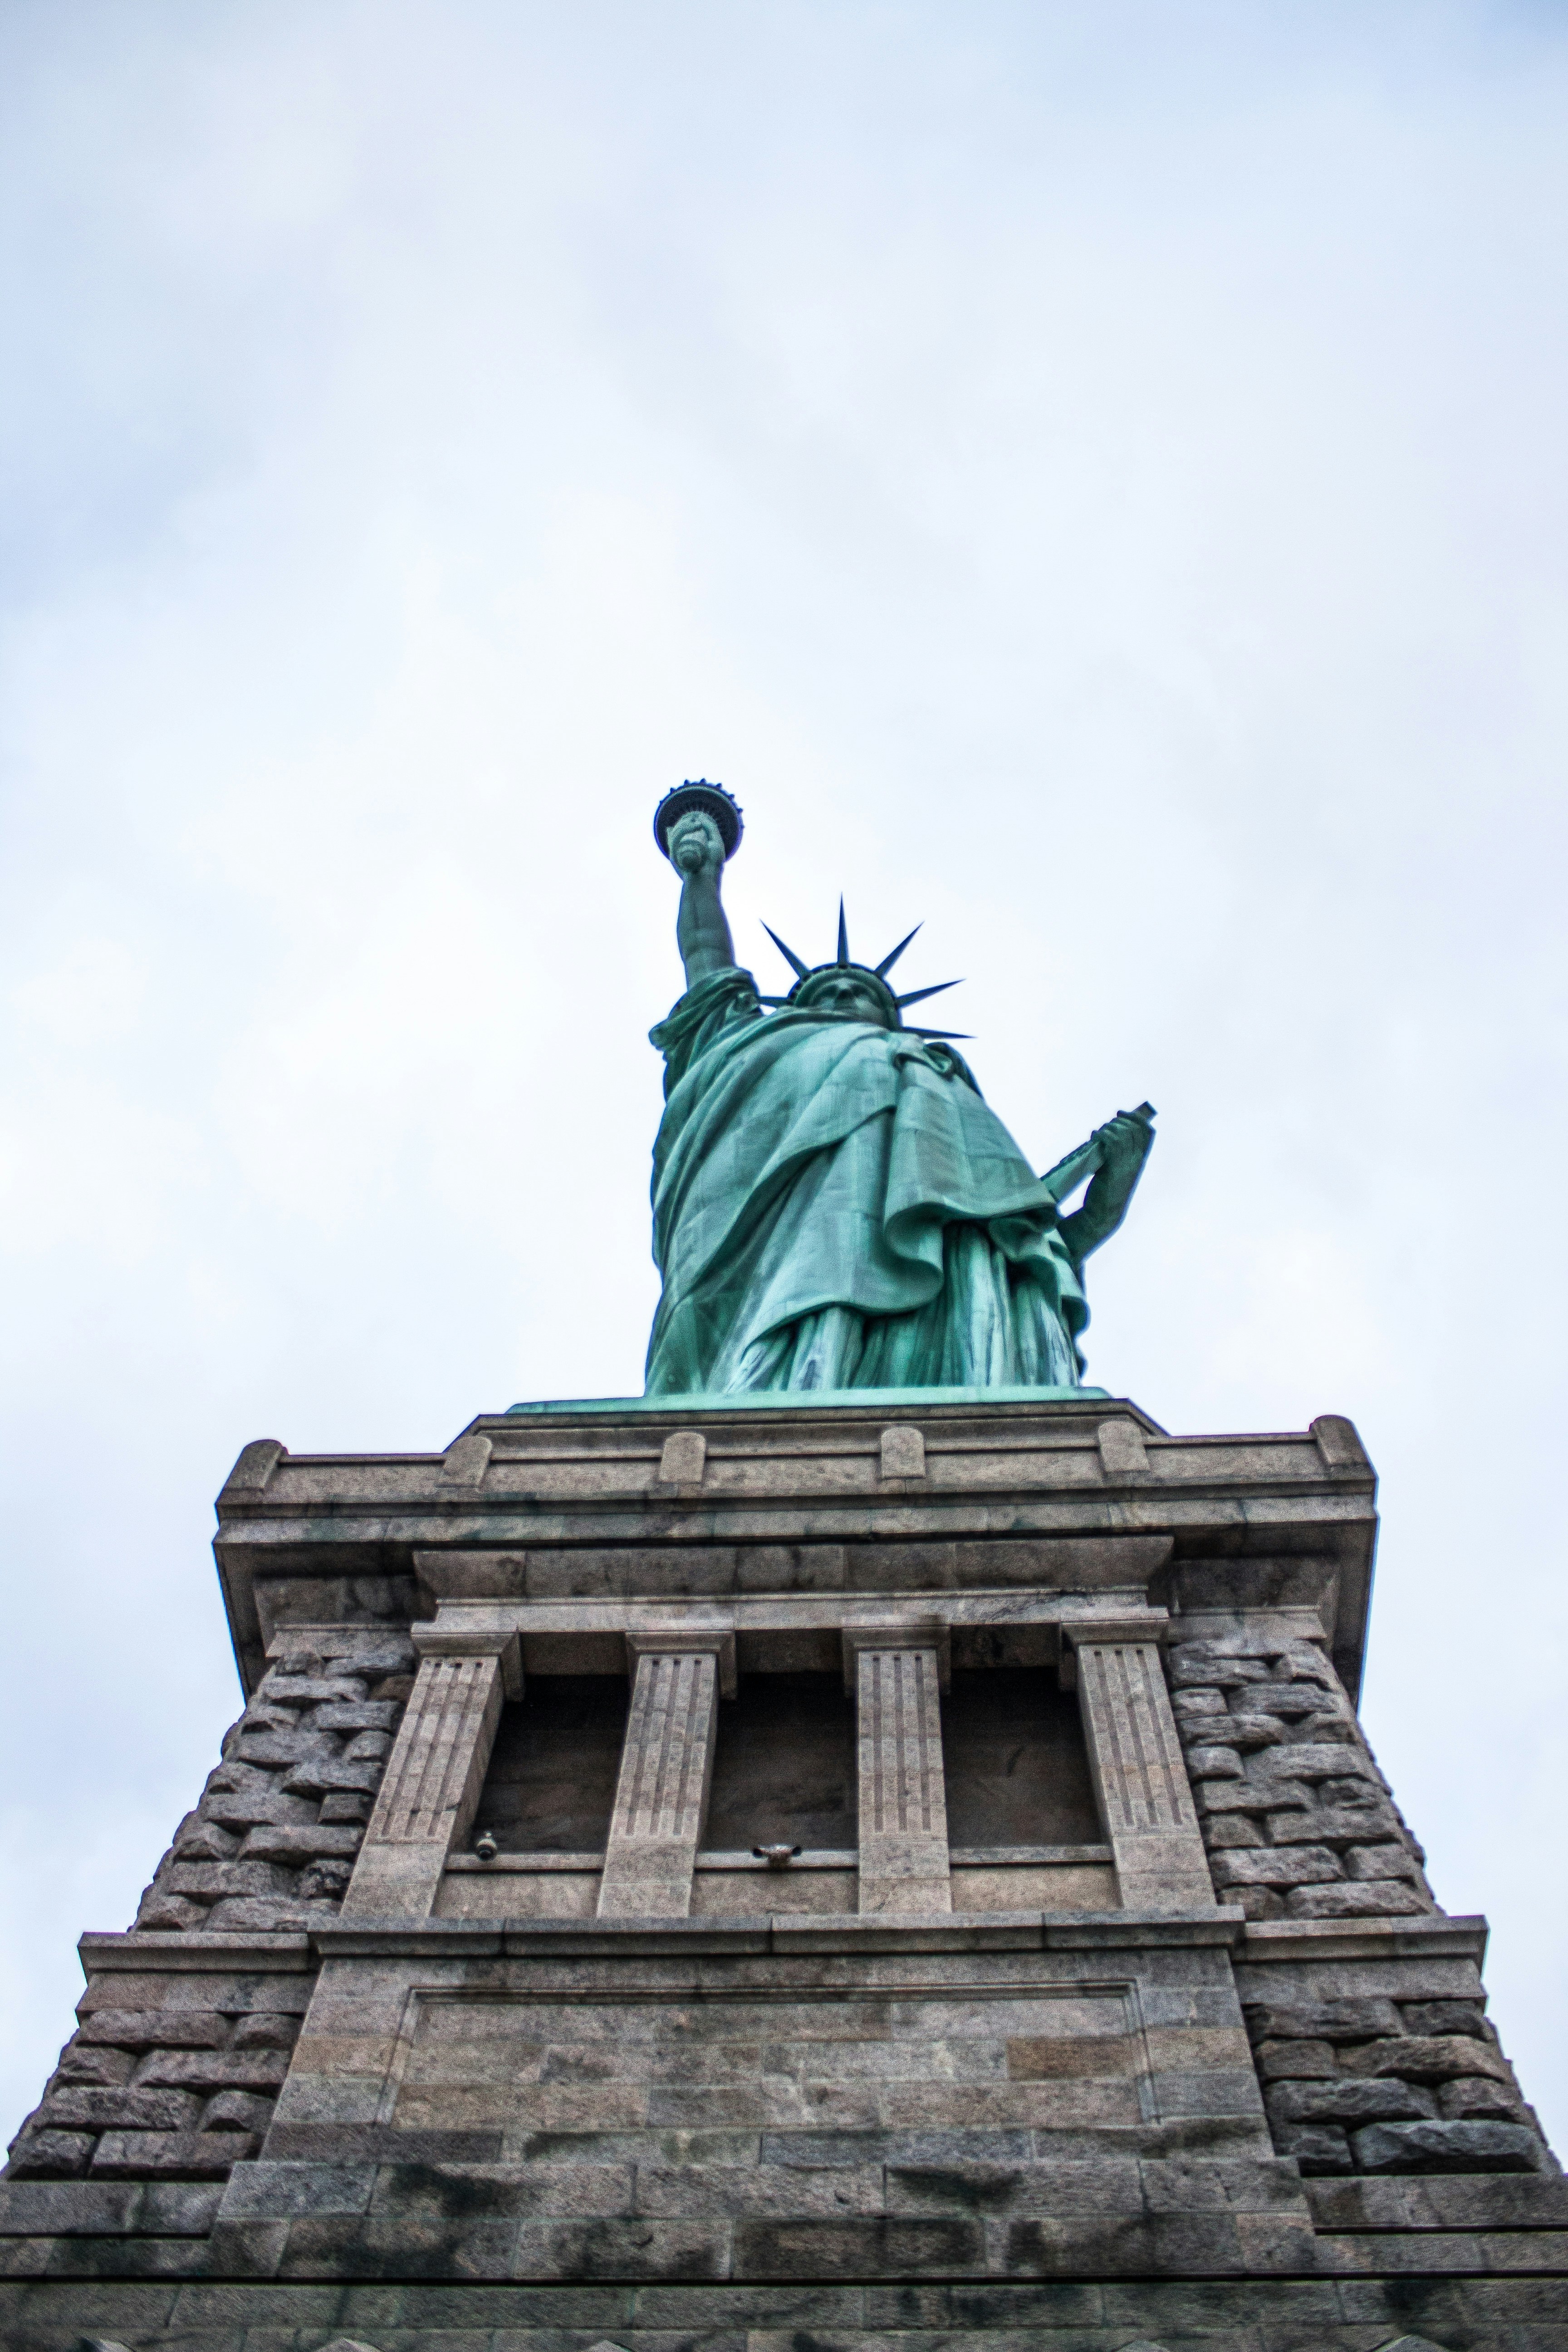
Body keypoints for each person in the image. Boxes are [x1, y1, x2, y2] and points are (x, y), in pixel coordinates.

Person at [645, 798, 1153, 1397]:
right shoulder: (753, 1043)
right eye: (824, 989)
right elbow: (707, 962)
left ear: (890, 1019)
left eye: (857, 992)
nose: (839, 992)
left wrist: (1113, 1186)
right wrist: (703, 878)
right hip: (765, 1253)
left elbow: (1019, 1245)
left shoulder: (930, 1079)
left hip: (938, 1314)